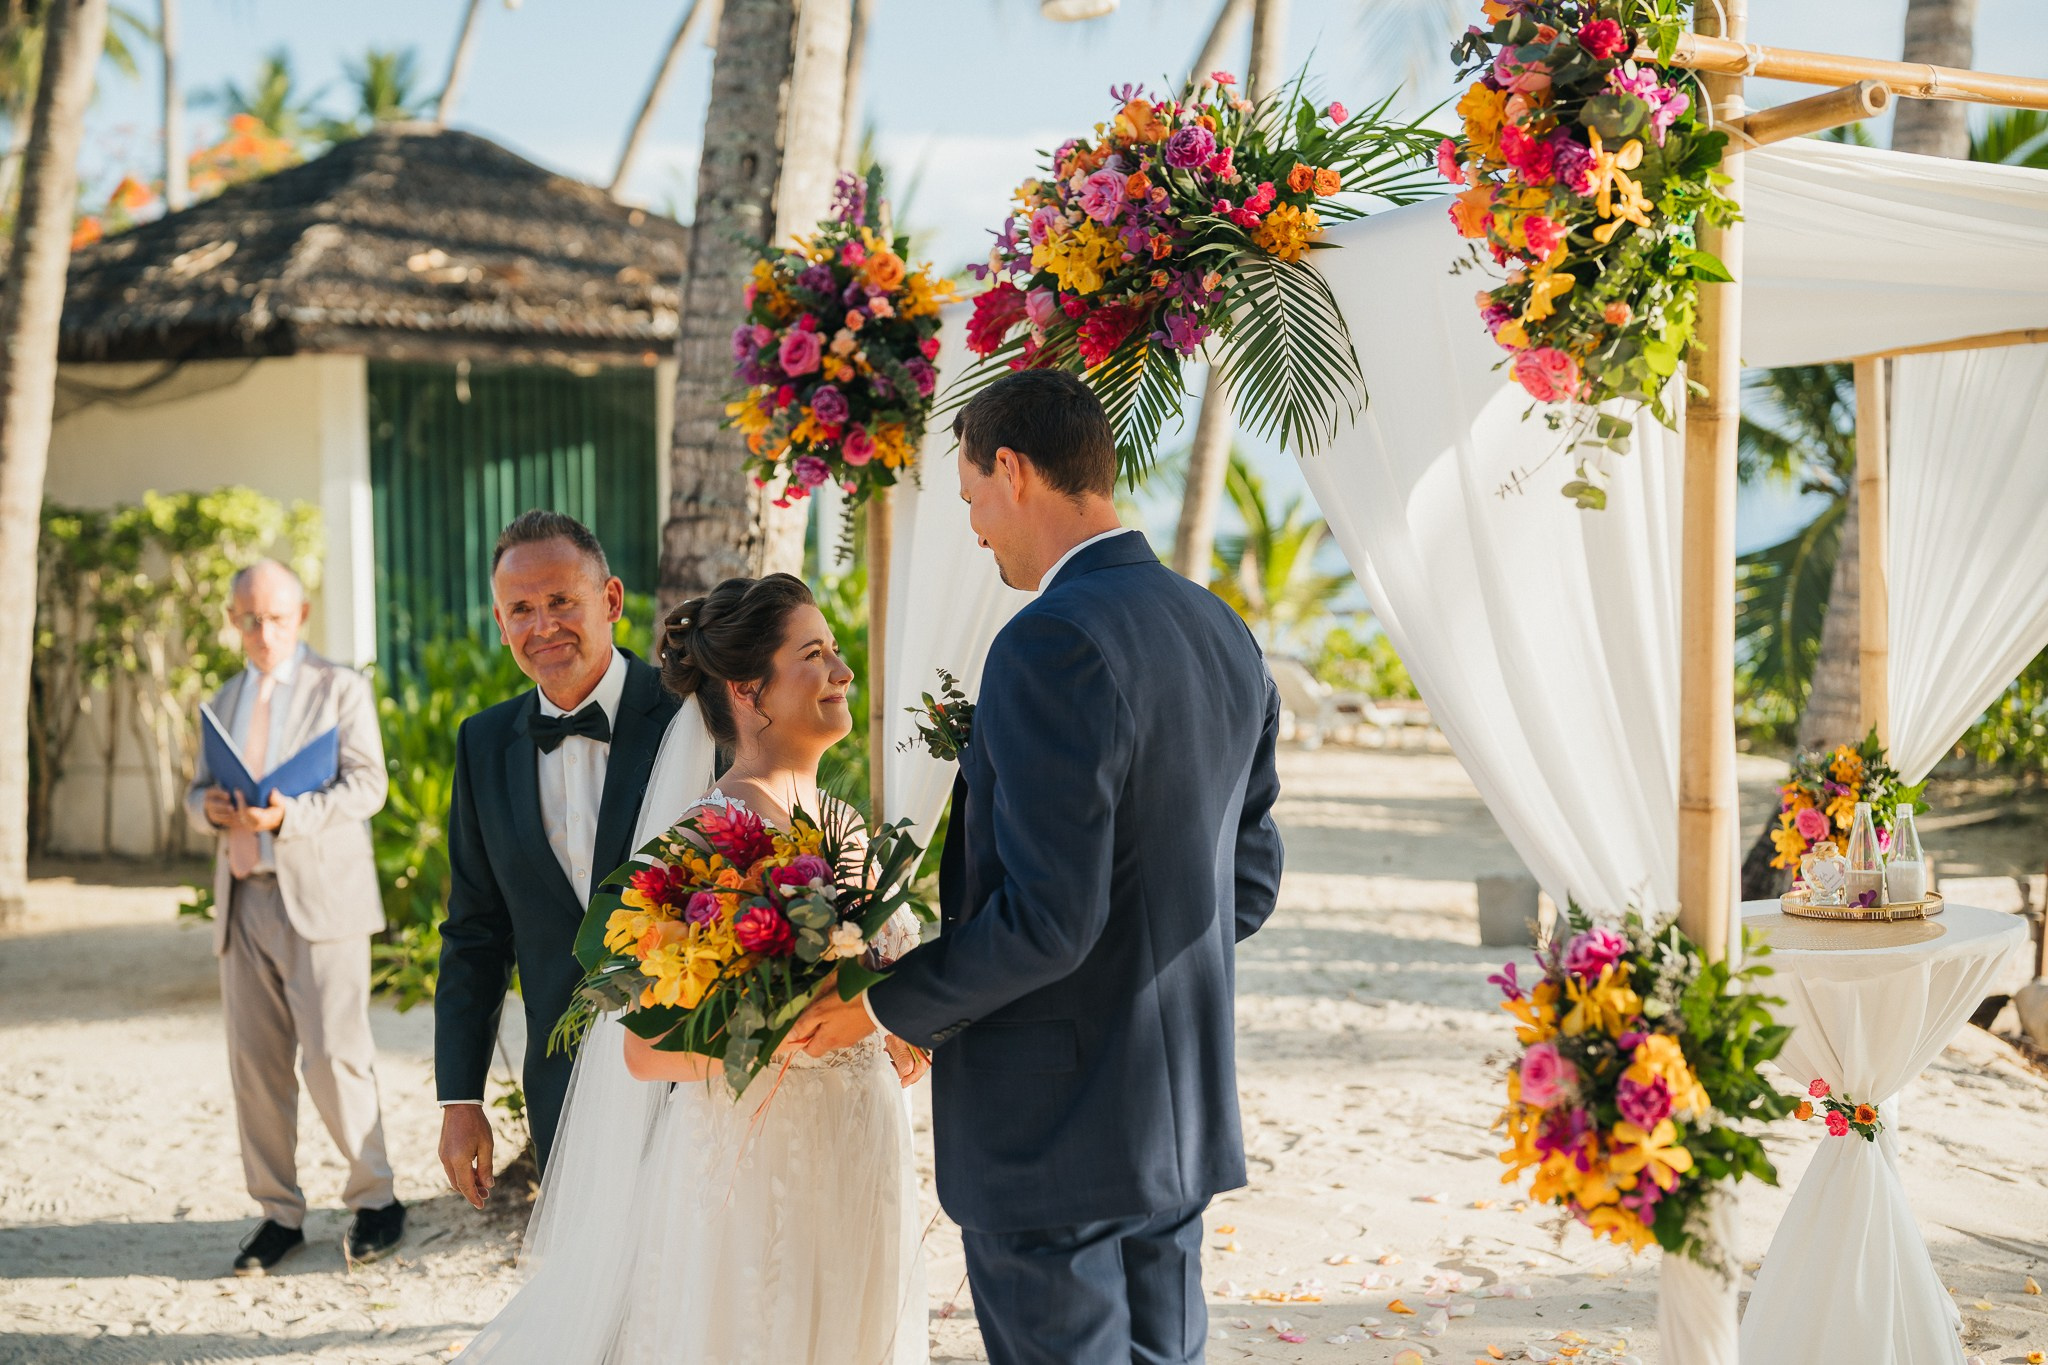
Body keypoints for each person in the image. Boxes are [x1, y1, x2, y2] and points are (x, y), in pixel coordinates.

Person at [793, 368, 1286, 1365]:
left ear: (1010, 470)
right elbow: (1246, 885)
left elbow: (1049, 921)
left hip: (1056, 1128)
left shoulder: (1046, 643)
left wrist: (888, 1005)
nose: (975, 525)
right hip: (1174, 1112)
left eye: (971, 494)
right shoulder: (1218, 628)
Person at [453, 573, 928, 1365]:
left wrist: (900, 1030)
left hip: (863, 1149)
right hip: (757, 1169)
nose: (843, 672)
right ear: (750, 690)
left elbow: (880, 984)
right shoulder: (706, 839)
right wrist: (787, 1036)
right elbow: (647, 1051)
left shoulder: (847, 824)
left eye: (837, 651)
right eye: (815, 654)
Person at [435, 510, 679, 1197]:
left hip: (691, 1067)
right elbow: (474, 933)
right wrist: (460, 1096)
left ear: (611, 600)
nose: (543, 626)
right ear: (499, 619)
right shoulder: (482, 744)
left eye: (562, 601)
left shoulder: (694, 717)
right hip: (562, 1083)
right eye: (521, 609)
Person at [185, 560, 402, 1276]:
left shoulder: (341, 686)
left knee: (334, 1056)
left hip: (322, 897)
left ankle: (377, 1200)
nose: (262, 631)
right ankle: (279, 1213)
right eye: (248, 618)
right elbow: (195, 793)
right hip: (243, 895)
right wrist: (207, 808)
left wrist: (289, 814)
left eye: (275, 617)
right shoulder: (221, 698)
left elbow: (369, 784)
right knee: (255, 1064)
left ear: (301, 615)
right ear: (232, 620)